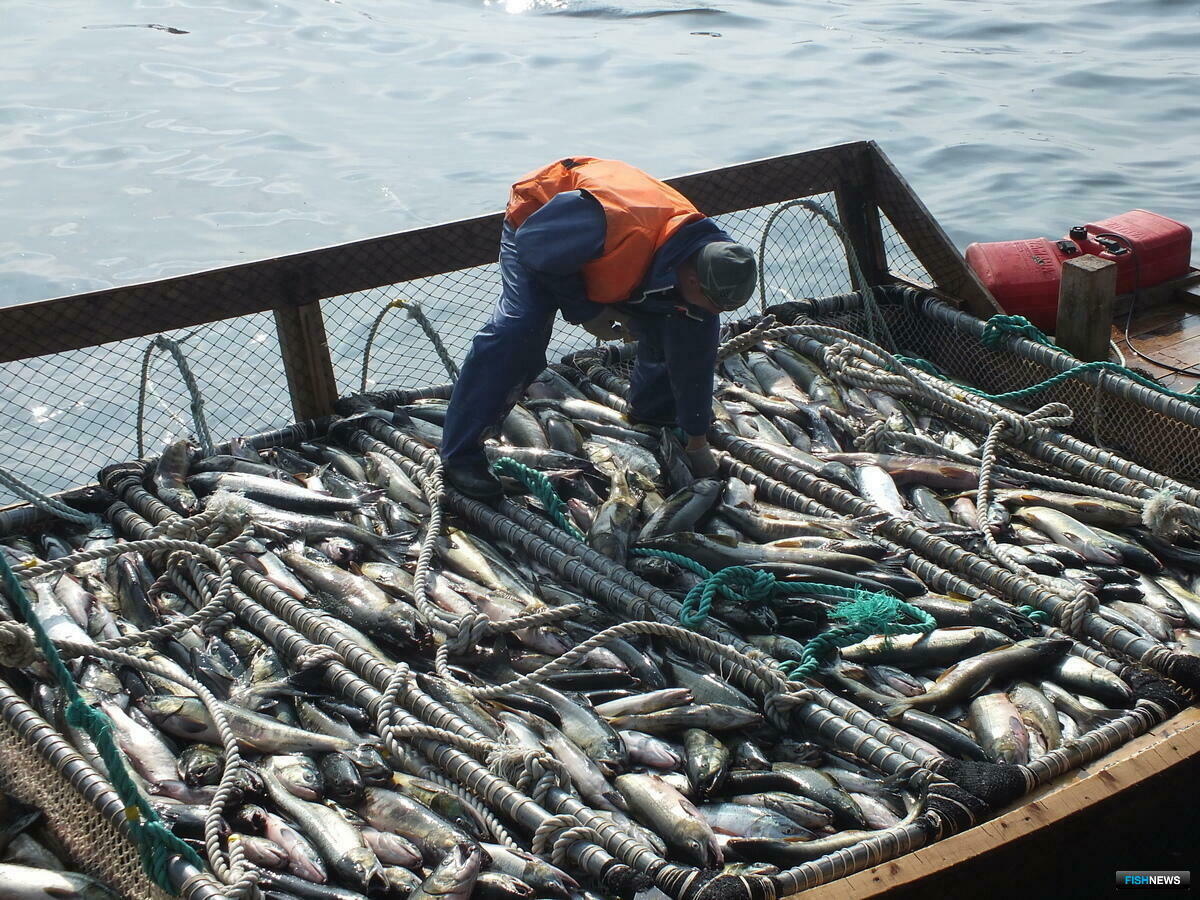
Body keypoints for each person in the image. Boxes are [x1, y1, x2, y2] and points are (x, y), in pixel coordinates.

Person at [440, 156, 758, 499]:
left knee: (682, 321)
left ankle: (653, 414)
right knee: (519, 330)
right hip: (540, 228)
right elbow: (535, 246)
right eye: (714, 304)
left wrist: (696, 440)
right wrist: (587, 311)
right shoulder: (613, 222)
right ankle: (461, 455)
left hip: (613, 256)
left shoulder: (714, 263)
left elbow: (697, 352)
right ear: (693, 279)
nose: (715, 313)